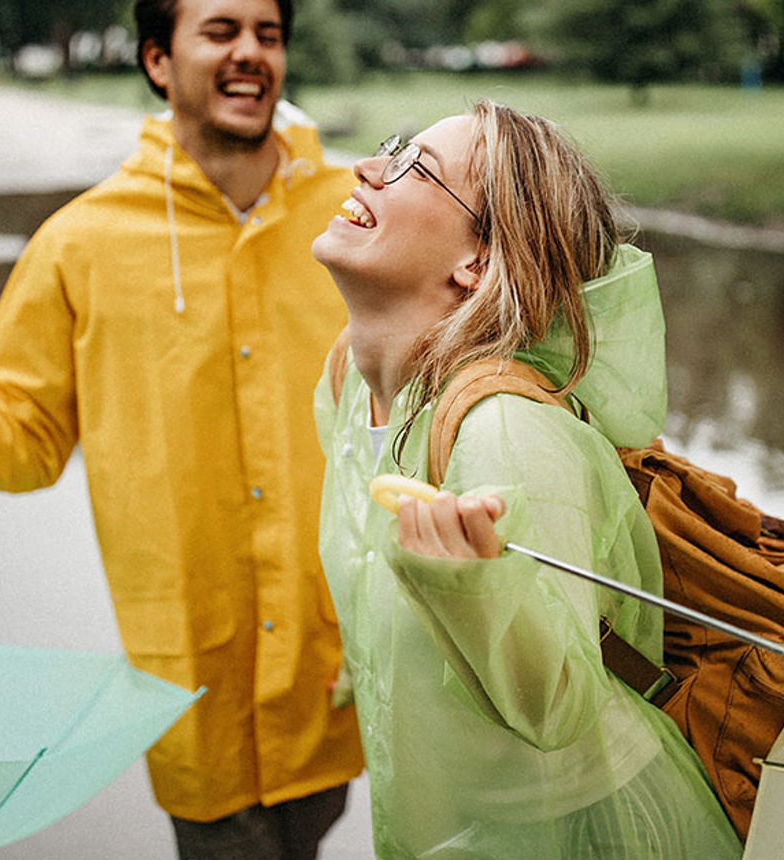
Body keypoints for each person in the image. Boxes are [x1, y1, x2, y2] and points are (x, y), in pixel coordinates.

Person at [0, 0, 364, 856]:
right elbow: (28, 433)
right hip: (190, 684)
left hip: (340, 672)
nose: (251, 53)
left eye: (268, 33)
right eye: (220, 31)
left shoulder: (357, 222)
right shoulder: (79, 242)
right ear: (157, 60)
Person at [310, 99, 743, 858]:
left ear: (477, 263)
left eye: (416, 167)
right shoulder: (351, 385)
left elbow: (563, 709)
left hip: (591, 835)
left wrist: (469, 587)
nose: (368, 168)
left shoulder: (505, 433)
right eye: (391, 148)